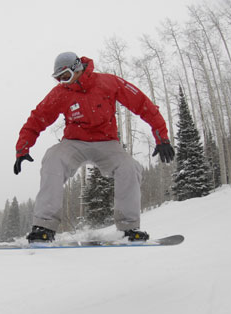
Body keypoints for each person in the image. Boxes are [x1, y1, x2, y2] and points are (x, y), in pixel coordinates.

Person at [14, 52, 174, 243]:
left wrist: (161, 138)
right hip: (74, 142)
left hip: (107, 143)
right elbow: (37, 119)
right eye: (58, 79)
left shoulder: (108, 83)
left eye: (65, 76)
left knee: (129, 167)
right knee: (52, 159)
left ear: (77, 68)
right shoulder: (61, 93)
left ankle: (129, 228)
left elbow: (142, 104)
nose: (63, 82)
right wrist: (23, 148)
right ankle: (43, 227)